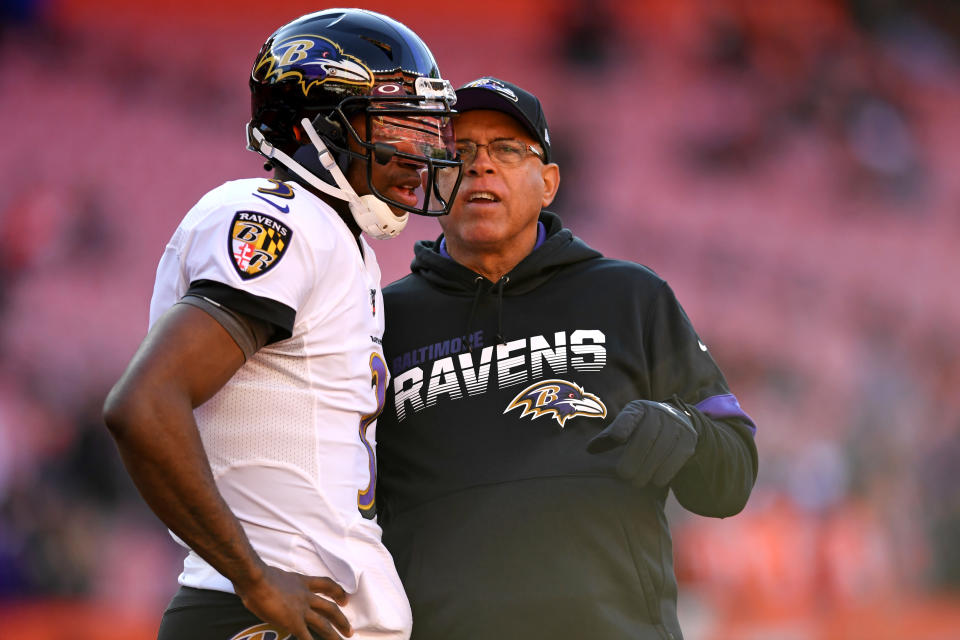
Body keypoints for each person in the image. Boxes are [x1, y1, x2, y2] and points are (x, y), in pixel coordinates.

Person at [101, 9, 461, 640]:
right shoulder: (284, 220)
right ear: (315, 127)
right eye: (398, 127)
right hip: (261, 615)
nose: (421, 153)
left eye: (427, 130)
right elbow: (144, 405)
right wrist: (256, 579)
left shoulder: (340, 242)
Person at [374, 77, 759, 640]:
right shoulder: (379, 322)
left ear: (549, 182)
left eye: (507, 150)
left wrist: (687, 433)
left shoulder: (631, 296)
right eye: (457, 152)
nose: (480, 166)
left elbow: (733, 478)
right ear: (431, 178)